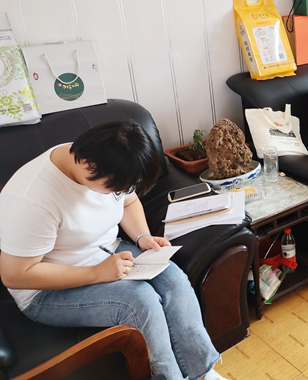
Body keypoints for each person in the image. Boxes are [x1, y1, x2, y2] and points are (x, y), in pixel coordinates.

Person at [0, 120, 227, 380]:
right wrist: (96, 273)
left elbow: (129, 202)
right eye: (115, 188)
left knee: (174, 280)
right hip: (45, 290)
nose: (122, 192)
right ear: (88, 166)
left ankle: (202, 373)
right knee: (141, 301)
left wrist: (142, 236)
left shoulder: (108, 162)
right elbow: (15, 274)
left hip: (108, 252)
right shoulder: (34, 199)